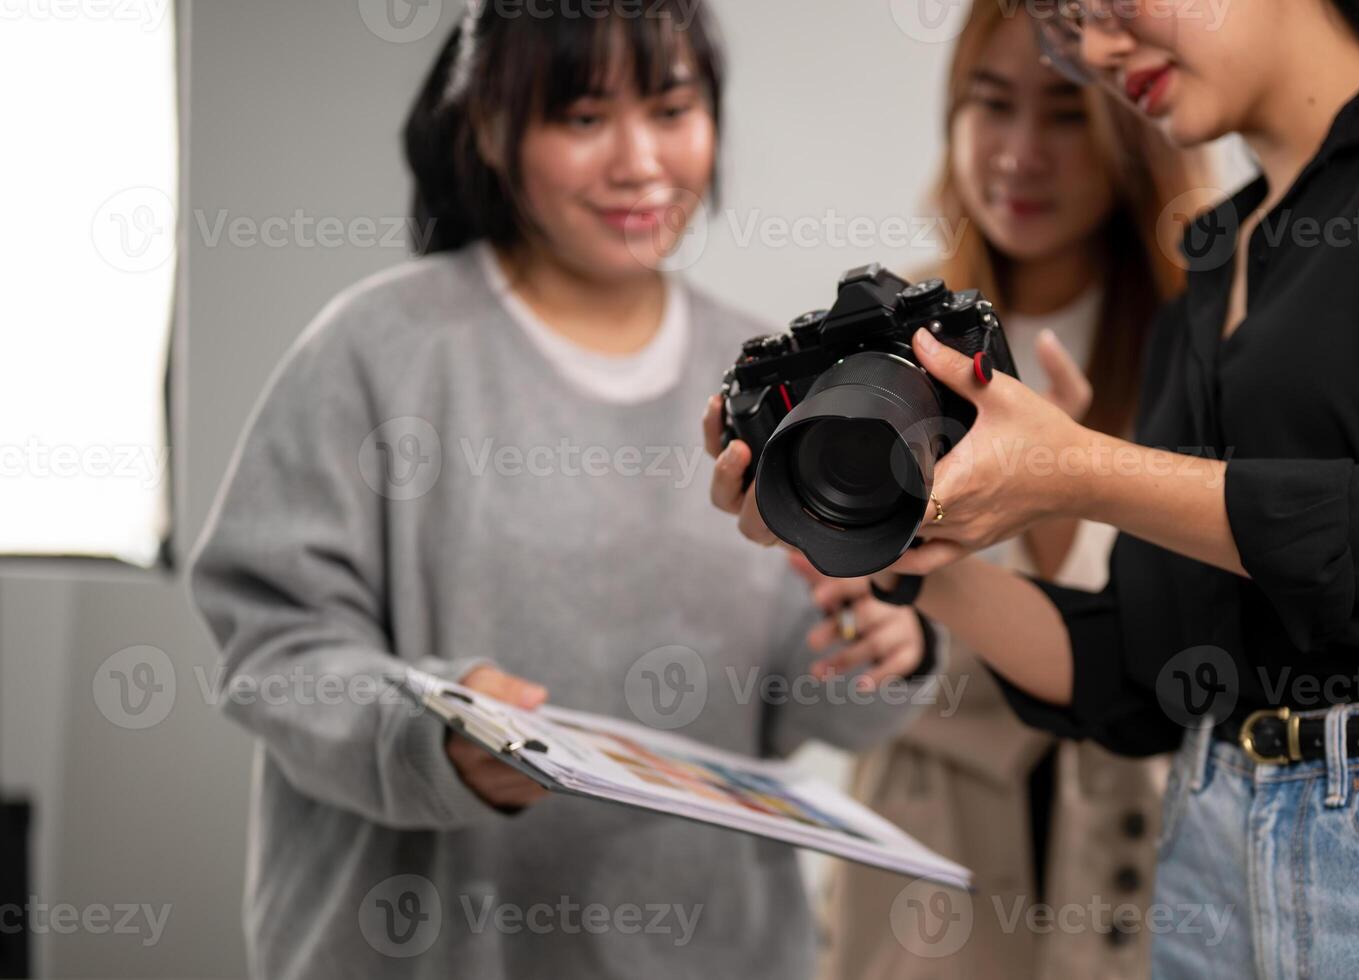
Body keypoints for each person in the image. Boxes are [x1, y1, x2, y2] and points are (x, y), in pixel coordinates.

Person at [710, 1, 1359, 976]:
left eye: (1109, 8)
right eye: (1068, 27)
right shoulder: (1210, 264)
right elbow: (1144, 670)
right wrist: (902, 553)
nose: (1096, 51)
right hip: (1212, 847)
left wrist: (1080, 469)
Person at [188, 4, 942, 978]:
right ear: (491, 130)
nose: (638, 162)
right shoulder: (376, 352)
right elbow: (275, 648)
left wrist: (883, 645)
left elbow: (808, 700)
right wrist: (429, 737)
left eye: (671, 110)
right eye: (583, 119)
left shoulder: (771, 377)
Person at [808, 1, 1204, 976]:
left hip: (1138, 847)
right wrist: (888, 628)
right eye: (990, 104)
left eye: (1066, 113)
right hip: (924, 856)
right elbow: (830, 615)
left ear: (1133, 119)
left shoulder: (1198, 342)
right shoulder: (885, 335)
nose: (1021, 153)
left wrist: (1068, 475)